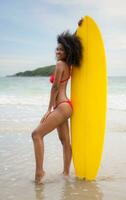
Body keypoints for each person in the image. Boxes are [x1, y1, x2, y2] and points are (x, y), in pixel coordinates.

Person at [31, 18, 83, 184]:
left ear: (67, 52)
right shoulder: (68, 65)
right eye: (57, 49)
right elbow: (72, 42)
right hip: (66, 105)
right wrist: (79, 29)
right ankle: (66, 174)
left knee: (36, 134)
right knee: (65, 141)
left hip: (61, 106)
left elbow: (54, 89)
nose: (58, 51)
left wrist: (49, 109)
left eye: (61, 49)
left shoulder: (61, 64)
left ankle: (40, 173)